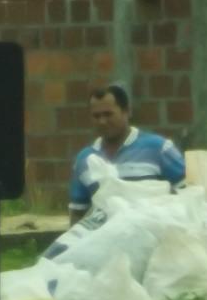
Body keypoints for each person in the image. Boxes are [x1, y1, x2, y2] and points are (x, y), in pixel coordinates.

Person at [68, 83, 186, 225]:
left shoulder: (159, 149)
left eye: (108, 114)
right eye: (96, 116)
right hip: (106, 238)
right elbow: (78, 214)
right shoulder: (85, 160)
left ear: (127, 111)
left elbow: (188, 194)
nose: (102, 121)